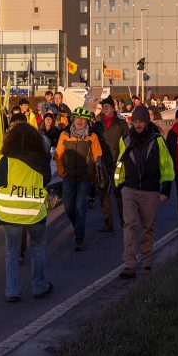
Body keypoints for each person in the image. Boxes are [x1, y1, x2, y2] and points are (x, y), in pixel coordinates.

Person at [0, 121, 54, 303]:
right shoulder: (41, 161)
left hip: (11, 213)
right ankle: (40, 286)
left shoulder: (7, 161)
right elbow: (46, 180)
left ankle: (12, 291)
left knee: (11, 251)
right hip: (35, 212)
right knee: (38, 248)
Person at [114, 104, 174, 278]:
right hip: (130, 189)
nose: (138, 125)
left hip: (150, 190)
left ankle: (147, 261)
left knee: (148, 227)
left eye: (141, 122)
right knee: (129, 225)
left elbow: (167, 166)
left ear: (147, 123)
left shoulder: (157, 140)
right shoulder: (125, 139)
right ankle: (129, 264)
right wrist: (119, 187)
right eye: (135, 121)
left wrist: (166, 190)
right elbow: (119, 164)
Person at [55, 107, 103, 251]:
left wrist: (97, 175)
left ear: (87, 121)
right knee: (68, 207)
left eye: (83, 119)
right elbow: (58, 156)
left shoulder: (92, 136)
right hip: (69, 177)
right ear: (73, 120)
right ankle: (78, 227)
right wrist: (61, 172)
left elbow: (98, 157)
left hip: (85, 178)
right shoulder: (64, 135)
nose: (80, 121)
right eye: (77, 118)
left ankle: (79, 239)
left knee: (81, 209)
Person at [92, 97, 128, 233]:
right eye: (104, 106)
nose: (106, 109)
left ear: (113, 108)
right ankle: (108, 223)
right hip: (102, 163)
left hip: (119, 161)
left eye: (108, 106)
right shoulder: (97, 124)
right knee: (103, 194)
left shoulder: (121, 123)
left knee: (119, 194)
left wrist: (126, 159)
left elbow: (128, 141)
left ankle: (124, 222)